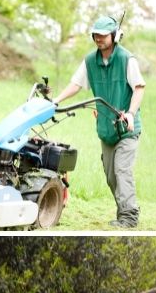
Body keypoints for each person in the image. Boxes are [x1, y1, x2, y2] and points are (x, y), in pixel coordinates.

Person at [53, 16, 146, 228]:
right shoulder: (89, 62)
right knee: (111, 176)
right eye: (96, 34)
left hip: (126, 128)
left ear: (115, 35)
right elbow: (75, 85)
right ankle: (126, 210)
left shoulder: (126, 59)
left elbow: (139, 87)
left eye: (103, 35)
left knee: (122, 171)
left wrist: (131, 113)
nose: (98, 38)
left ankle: (129, 218)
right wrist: (55, 101)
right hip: (105, 129)